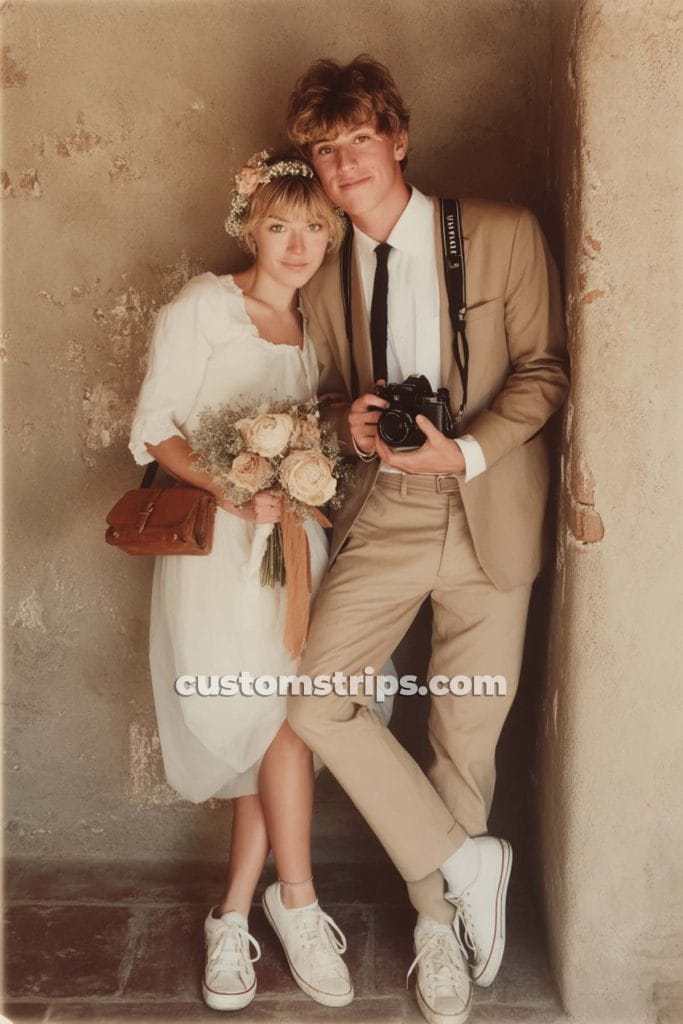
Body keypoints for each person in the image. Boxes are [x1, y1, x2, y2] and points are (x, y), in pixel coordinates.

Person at [284, 56, 570, 1024]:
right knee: (320, 702)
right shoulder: (326, 268)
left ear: (396, 139)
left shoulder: (498, 232)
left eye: (357, 139)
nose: (341, 163)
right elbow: (324, 394)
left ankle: (436, 931)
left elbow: (541, 369)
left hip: (487, 505)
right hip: (386, 515)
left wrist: (470, 451)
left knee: (464, 735)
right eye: (323, 150)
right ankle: (463, 861)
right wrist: (353, 420)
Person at [128, 152, 353, 1012]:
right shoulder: (205, 306)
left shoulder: (314, 329)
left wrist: (307, 467)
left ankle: (242, 915)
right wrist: (236, 488)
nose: (296, 245)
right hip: (225, 552)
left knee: (286, 721)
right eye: (277, 227)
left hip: (295, 552)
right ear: (248, 228)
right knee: (257, 721)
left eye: (313, 229)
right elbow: (156, 430)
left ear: (329, 236)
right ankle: (291, 905)